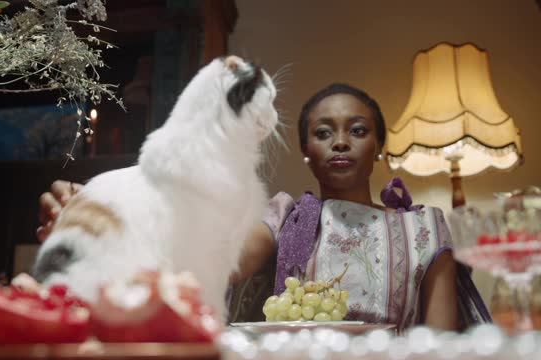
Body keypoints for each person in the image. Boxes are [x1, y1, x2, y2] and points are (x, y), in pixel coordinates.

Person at [37, 83, 489, 331]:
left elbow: (442, 341)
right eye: (323, 132)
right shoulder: (286, 215)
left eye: (357, 130)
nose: (340, 142)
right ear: (307, 152)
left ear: (379, 149)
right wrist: (106, 222)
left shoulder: (425, 227)